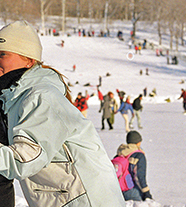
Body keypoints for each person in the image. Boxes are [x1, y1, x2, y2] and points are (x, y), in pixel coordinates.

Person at [0, 20, 125, 207]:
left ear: (29, 60)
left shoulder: (42, 97)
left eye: (3, 54)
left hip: (87, 201)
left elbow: (25, 159)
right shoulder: (12, 100)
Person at [116, 131, 153, 201]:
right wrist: (147, 193)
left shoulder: (120, 153)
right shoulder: (139, 155)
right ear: (138, 142)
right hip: (132, 190)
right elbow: (139, 177)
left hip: (117, 191)